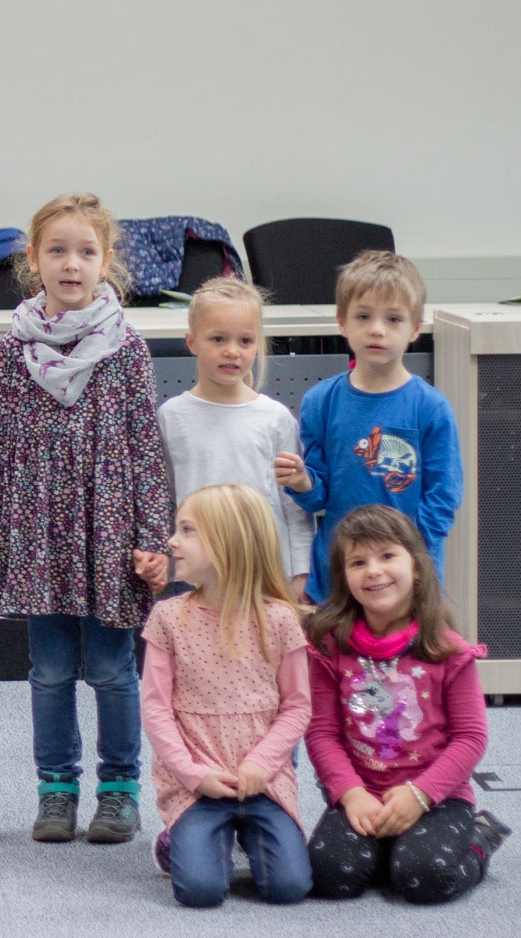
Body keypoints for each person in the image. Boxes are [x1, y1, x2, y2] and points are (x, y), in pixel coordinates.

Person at [0, 193, 173, 845]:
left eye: (85, 251)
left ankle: (118, 791)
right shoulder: (13, 349)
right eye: (56, 250)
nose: (71, 263)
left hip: (109, 530)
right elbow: (2, 449)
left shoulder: (127, 348)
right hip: (38, 530)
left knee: (112, 670)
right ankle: (55, 790)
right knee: (49, 671)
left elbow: (144, 449)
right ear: (33, 261)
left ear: (105, 262)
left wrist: (150, 539)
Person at [303, 505, 510, 903]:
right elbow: (321, 733)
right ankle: (391, 848)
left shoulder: (448, 650)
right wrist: (350, 794)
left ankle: (480, 836)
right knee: (329, 877)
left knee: (424, 877)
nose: (374, 571)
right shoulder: (329, 649)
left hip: (437, 796)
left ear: (416, 567)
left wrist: (420, 794)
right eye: (358, 562)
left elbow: (470, 738)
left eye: (387, 556)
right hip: (362, 792)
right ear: (344, 578)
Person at [142, 484, 312, 908]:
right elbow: (156, 708)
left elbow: (297, 706)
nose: (171, 541)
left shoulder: (280, 620)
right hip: (196, 783)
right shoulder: (167, 617)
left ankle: (233, 838)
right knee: (200, 892)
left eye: (186, 530)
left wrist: (261, 763)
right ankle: (174, 842)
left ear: (228, 540)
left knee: (288, 888)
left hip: (264, 783)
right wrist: (193, 774)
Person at [275, 251, 462, 603]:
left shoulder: (431, 408)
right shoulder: (320, 401)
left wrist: (406, 559)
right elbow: (320, 496)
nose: (377, 329)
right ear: (342, 321)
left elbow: (443, 496)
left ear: (416, 328)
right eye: (363, 316)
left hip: (407, 582)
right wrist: (301, 481)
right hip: (339, 579)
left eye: (393, 319)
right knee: (336, 657)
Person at [159, 278, 314, 601]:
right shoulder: (171, 417)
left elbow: (293, 508)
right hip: (195, 581)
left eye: (245, 341)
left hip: (264, 577)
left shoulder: (274, 418)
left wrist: (300, 572)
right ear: (191, 342)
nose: (232, 351)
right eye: (218, 339)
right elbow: (163, 500)